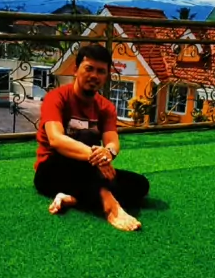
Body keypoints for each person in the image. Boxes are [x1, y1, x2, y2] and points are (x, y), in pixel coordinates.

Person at [33, 44, 150, 232]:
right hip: (53, 169)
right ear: (75, 70)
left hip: (89, 169)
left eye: (101, 71)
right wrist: (95, 156)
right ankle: (110, 206)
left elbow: (112, 141)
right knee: (91, 169)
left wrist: (108, 154)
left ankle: (72, 197)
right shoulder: (56, 98)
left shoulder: (106, 107)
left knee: (140, 185)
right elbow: (56, 139)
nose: (94, 76)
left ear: (106, 76)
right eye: (89, 69)